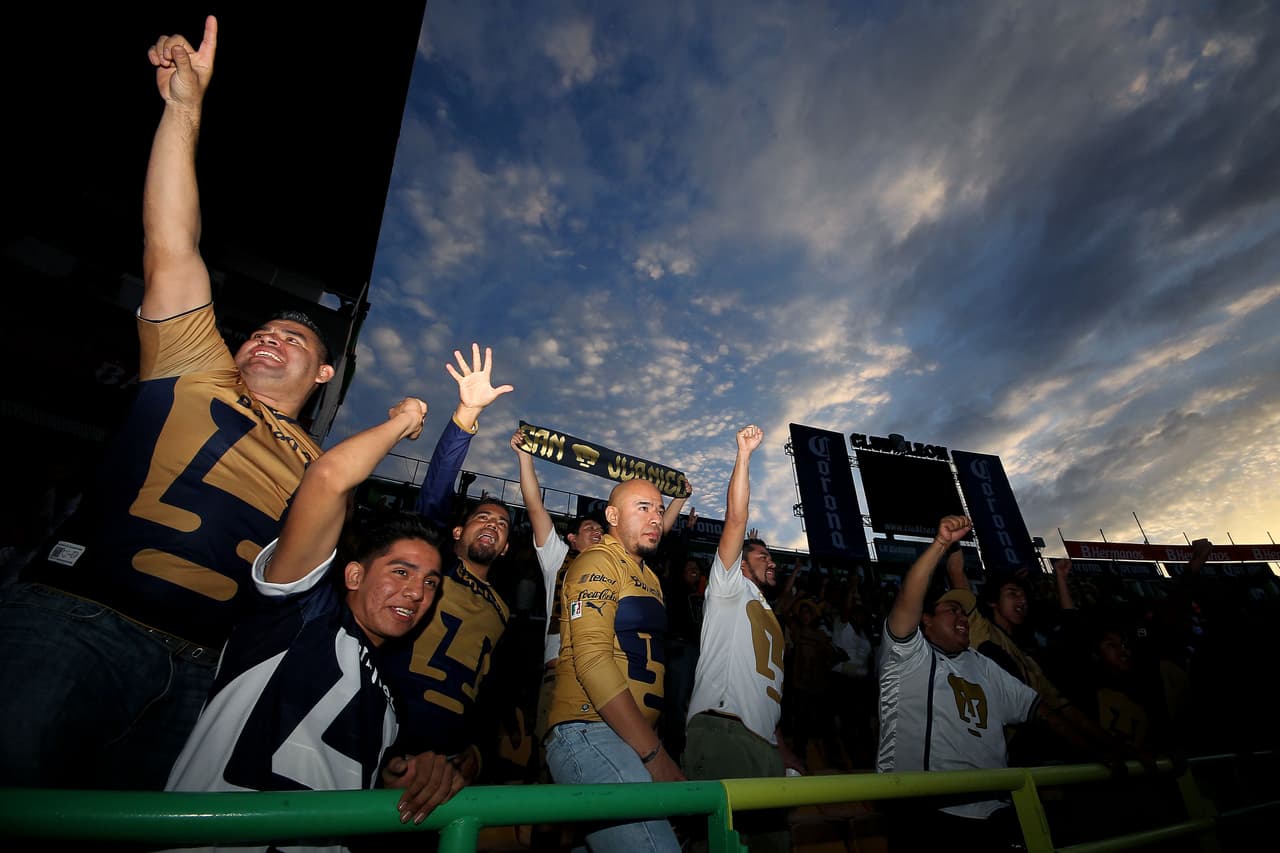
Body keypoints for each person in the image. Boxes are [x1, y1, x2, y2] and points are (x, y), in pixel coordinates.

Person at [0, 15, 340, 789]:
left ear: (324, 375)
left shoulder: (323, 464)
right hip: (76, 620)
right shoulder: (195, 363)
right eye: (261, 330)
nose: (269, 339)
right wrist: (183, 110)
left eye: (295, 338)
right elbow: (171, 243)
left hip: (200, 669)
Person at [165, 397, 461, 838]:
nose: (417, 592)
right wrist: (403, 421)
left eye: (431, 583)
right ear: (355, 574)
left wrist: (417, 773)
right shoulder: (297, 614)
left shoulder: (392, 699)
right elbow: (328, 479)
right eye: (401, 572)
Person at [375, 344, 516, 810]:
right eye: (482, 518)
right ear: (456, 530)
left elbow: (492, 690)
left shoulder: (503, 609)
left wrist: (478, 751)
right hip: (386, 729)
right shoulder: (437, 561)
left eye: (501, 525)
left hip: (452, 757)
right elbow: (436, 490)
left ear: (507, 547)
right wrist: (465, 417)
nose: (492, 525)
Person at [876, 516, 1044, 853]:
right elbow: (909, 599)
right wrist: (939, 544)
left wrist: (1106, 749)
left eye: (965, 612)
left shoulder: (981, 663)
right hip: (925, 813)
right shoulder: (907, 657)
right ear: (926, 620)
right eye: (951, 610)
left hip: (996, 810)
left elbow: (1041, 711)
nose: (962, 617)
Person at [545, 477, 685, 853]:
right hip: (592, 730)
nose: (655, 517)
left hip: (630, 737)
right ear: (612, 515)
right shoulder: (598, 560)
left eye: (659, 509)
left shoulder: (649, 576)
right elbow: (592, 659)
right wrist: (654, 754)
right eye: (643, 508)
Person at [683, 425, 802, 853]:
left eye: (771, 555)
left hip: (763, 741)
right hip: (724, 735)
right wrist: (745, 454)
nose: (770, 560)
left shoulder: (770, 614)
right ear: (742, 566)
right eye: (761, 556)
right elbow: (737, 519)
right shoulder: (728, 586)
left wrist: (780, 746)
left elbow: (768, 689)